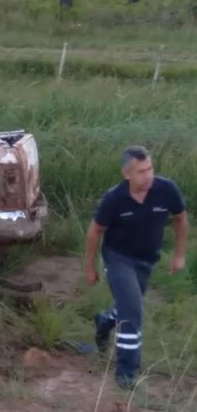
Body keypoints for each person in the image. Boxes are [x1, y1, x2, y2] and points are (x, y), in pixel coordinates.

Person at [84, 146, 188, 390]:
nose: (148, 175)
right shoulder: (114, 198)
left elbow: (180, 219)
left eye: (150, 169)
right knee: (133, 313)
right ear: (127, 174)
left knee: (128, 308)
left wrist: (179, 255)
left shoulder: (166, 190)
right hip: (118, 258)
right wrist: (90, 267)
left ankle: (105, 320)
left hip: (147, 259)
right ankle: (126, 372)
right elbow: (95, 232)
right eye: (141, 171)